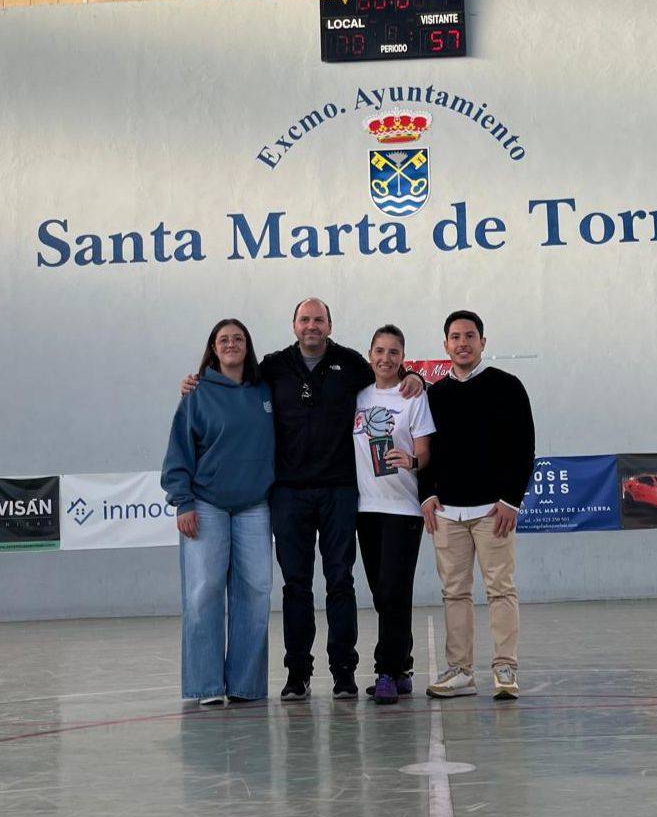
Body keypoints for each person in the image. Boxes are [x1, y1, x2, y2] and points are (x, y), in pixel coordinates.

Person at [182, 298, 423, 702]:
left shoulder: (352, 365)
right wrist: (196, 383)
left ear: (329, 325)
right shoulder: (273, 367)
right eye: (304, 319)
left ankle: (344, 674)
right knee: (296, 586)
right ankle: (298, 675)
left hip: (340, 492)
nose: (311, 326)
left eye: (319, 320)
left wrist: (414, 374)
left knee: (340, 583)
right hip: (289, 494)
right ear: (294, 325)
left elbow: (389, 377)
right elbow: (232, 380)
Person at [420, 310, 535, 701]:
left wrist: (510, 500)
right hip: (448, 515)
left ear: (482, 342)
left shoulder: (507, 386)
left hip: (493, 513)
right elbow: (424, 450)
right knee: (454, 593)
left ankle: (505, 667)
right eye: (455, 336)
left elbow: (523, 447)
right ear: (446, 345)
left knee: (500, 589)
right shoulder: (434, 395)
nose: (463, 343)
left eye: (470, 336)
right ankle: (461, 671)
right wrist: (427, 493)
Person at [162, 318, 275, 707]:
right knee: (203, 593)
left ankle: (245, 685)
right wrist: (183, 502)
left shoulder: (266, 389)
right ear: (213, 347)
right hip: (206, 505)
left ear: (248, 345)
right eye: (223, 339)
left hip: (254, 507)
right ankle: (206, 686)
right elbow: (179, 451)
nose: (231, 344)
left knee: (256, 593)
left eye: (238, 338)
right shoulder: (196, 393)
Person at [353, 325, 435, 705]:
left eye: (394, 352)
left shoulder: (412, 396)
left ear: (404, 357)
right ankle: (401, 666)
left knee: (394, 591)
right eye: (380, 351)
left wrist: (412, 460)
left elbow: (425, 453)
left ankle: (385, 672)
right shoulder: (358, 395)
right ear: (370, 354)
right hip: (366, 510)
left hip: (402, 509)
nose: (386, 358)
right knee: (383, 595)